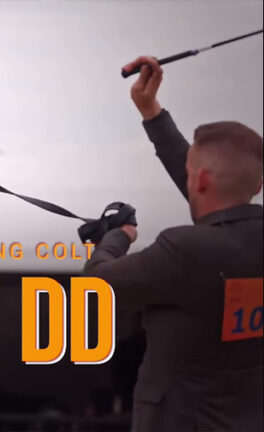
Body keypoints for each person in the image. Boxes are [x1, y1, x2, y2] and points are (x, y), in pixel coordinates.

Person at [84, 56, 263, 431]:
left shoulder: (184, 250)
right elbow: (215, 200)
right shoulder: (238, 242)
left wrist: (115, 238)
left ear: (200, 180)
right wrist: (152, 113)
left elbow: (97, 286)